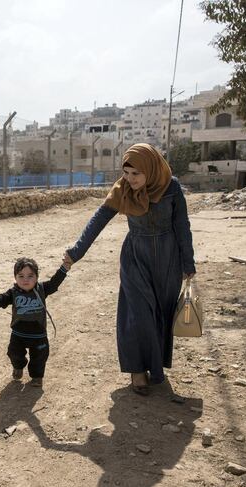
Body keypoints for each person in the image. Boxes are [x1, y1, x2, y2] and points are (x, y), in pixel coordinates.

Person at [63, 143, 195, 396]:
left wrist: (188, 263)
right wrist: (76, 252)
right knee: (137, 314)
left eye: (136, 174)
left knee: (160, 315)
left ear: (150, 169)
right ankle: (137, 370)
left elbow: (182, 225)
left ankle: (155, 367)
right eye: (126, 173)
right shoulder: (122, 190)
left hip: (168, 259)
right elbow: (98, 220)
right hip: (136, 256)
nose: (130, 179)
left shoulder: (171, 187)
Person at [0, 258, 69, 387]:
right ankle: (18, 367)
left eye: (30, 276)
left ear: (37, 277)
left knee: (39, 357)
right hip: (18, 334)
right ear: (15, 277)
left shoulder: (43, 289)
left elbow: (55, 282)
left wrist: (64, 268)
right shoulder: (14, 292)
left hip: (38, 335)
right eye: (21, 276)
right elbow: (2, 299)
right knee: (14, 353)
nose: (25, 280)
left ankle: (37, 377)